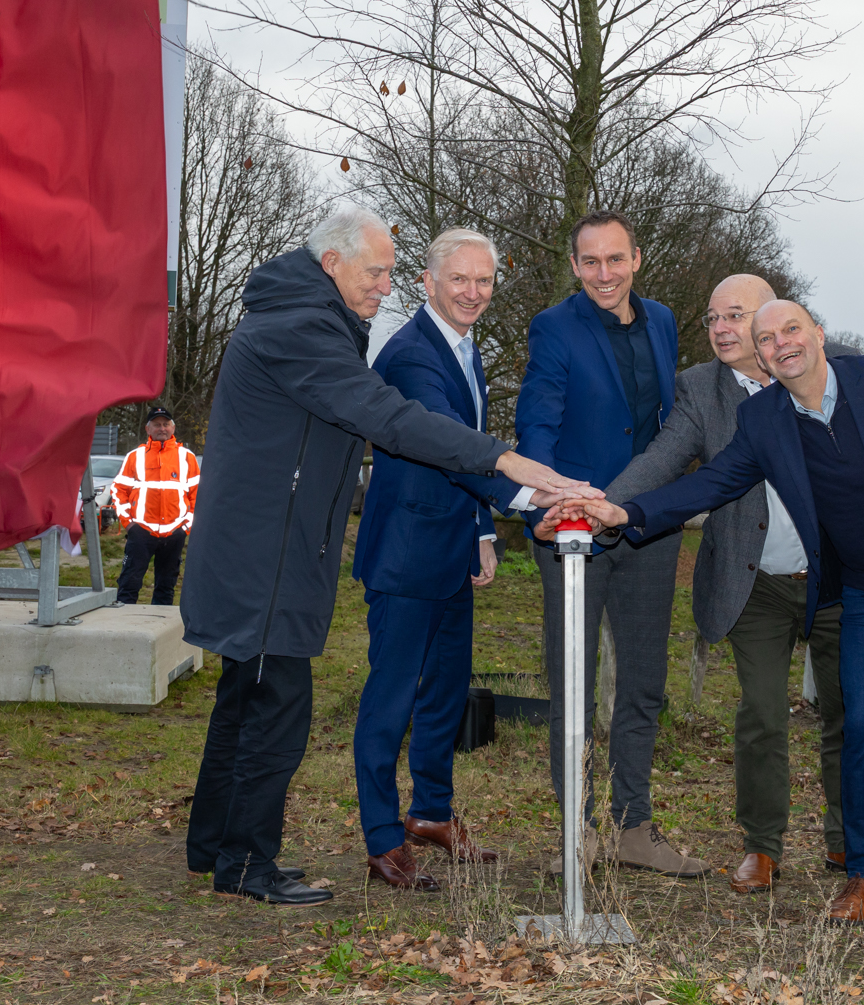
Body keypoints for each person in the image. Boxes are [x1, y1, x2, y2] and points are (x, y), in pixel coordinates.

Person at [548, 301, 864, 932]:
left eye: (791, 329)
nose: (782, 344)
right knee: (863, 730)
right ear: (760, 358)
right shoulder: (763, 421)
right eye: (767, 340)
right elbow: (712, 483)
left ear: (817, 332)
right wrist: (625, 514)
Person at [180, 205, 587, 906]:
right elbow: (388, 416)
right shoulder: (302, 328)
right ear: (332, 263)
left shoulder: (306, 318)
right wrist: (505, 461)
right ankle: (247, 861)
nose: (384, 285)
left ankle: (213, 845)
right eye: (377, 271)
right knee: (277, 708)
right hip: (266, 555)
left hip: (262, 546)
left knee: (243, 698)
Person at [603, 274, 844, 895]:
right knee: (762, 714)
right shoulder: (700, 389)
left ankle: (851, 846)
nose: (720, 330)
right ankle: (762, 849)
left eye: (735, 315)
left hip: (840, 580)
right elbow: (663, 460)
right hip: (752, 580)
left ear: (776, 321)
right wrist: (602, 505)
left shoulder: (833, 371)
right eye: (712, 318)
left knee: (849, 715)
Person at [514, 211, 707, 879]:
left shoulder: (660, 320)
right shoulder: (553, 327)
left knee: (644, 681)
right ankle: (578, 832)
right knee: (574, 681)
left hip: (645, 528)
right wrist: (546, 497)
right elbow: (537, 417)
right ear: (574, 265)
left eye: (615, 259)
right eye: (591, 261)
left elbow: (661, 424)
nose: (604, 273)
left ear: (637, 258)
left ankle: (633, 827)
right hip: (574, 530)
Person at [351, 228, 517, 891]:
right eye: (459, 280)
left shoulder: (465, 348)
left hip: (451, 552)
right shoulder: (414, 354)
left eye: (483, 281)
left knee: (446, 693)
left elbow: (466, 445)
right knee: (391, 700)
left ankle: (432, 814)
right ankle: (383, 836)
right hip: (405, 557)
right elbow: (454, 444)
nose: (472, 292)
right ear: (428, 282)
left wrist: (482, 528)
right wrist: (533, 494)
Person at [109, 406, 198, 606]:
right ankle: (123, 629)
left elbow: (197, 497)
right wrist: (129, 524)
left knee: (166, 586)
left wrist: (185, 528)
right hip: (141, 530)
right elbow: (118, 490)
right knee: (129, 583)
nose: (162, 428)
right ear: (147, 429)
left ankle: (159, 628)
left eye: (166, 424)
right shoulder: (135, 456)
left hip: (174, 532)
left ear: (173, 427)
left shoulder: (187, 457)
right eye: (157, 425)